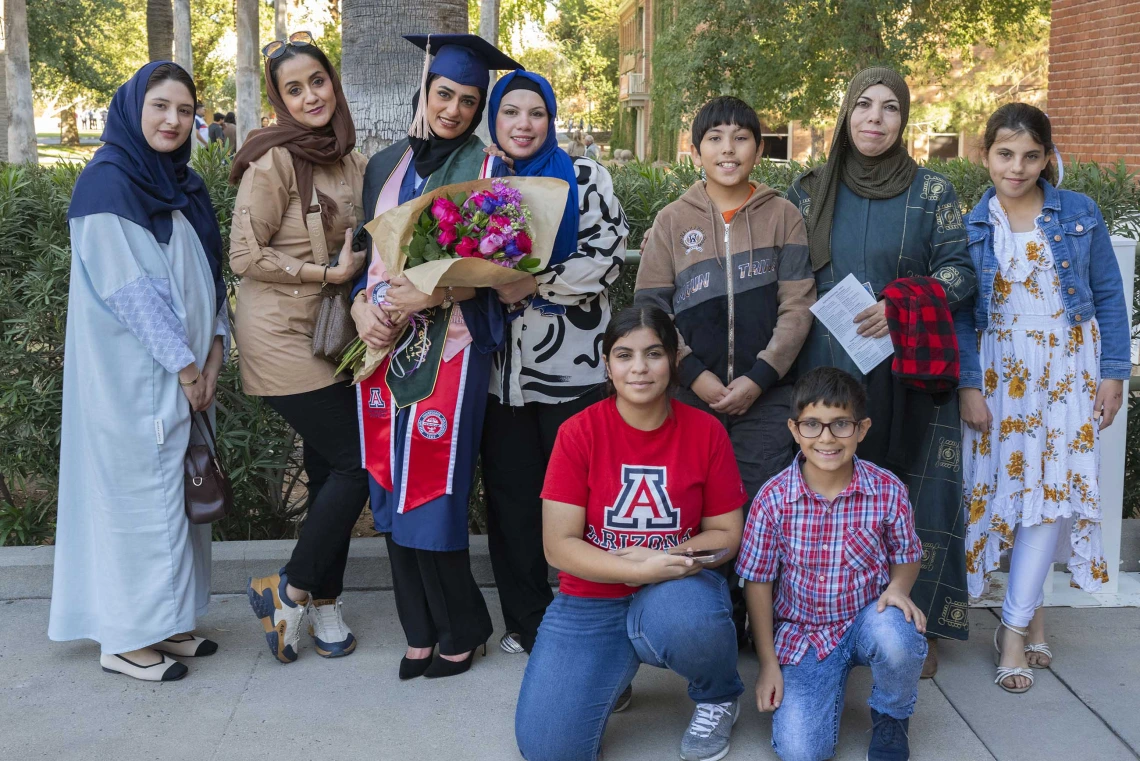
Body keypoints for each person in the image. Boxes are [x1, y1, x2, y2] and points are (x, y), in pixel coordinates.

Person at [785, 67, 976, 677]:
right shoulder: (808, 188)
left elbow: (960, 273)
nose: (874, 117)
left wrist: (901, 304)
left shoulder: (933, 192)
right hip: (823, 365)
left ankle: (912, 621)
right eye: (862, 104)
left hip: (907, 370)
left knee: (909, 492)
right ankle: (824, 616)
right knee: (828, 491)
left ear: (904, 119)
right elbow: (784, 272)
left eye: (889, 107)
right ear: (845, 113)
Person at [48, 61, 228, 682]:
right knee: (140, 500)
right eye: (160, 106)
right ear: (133, 108)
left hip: (185, 377)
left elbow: (209, 276)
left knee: (180, 500)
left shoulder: (183, 184)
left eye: (184, 109)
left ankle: (169, 621)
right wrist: (185, 367)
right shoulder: (107, 183)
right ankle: (124, 636)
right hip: (134, 384)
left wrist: (213, 355)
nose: (173, 120)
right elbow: (132, 293)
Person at [351, 33, 522, 680]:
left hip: (452, 349)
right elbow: (368, 261)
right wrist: (362, 311)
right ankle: (418, 628)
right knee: (389, 487)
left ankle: (465, 624)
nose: (452, 108)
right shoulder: (384, 165)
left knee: (434, 488)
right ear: (424, 90)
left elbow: (504, 269)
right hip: (382, 345)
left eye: (467, 99)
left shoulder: (491, 170)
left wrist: (439, 287)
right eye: (443, 93)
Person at [516, 305, 748, 761]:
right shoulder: (577, 432)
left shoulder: (706, 431)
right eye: (624, 355)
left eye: (653, 353)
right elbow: (558, 545)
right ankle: (608, 677)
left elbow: (725, 533)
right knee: (549, 750)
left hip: (676, 584)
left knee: (688, 618)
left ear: (674, 360)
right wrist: (629, 566)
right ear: (607, 363)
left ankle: (719, 694)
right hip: (590, 597)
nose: (639, 368)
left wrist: (666, 561)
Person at [956, 103, 1129, 693]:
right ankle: (1036, 613)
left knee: (1051, 494)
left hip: (1066, 369)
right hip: (1002, 375)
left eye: (1032, 155)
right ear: (985, 155)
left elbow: (1108, 294)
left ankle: (1011, 630)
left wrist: (1114, 373)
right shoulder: (972, 224)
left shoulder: (1078, 213)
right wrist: (969, 383)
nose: (1018, 167)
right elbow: (959, 317)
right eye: (1006, 154)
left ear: (1047, 157)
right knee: (1008, 491)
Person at [636, 95, 816, 645]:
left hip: (768, 400)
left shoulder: (783, 215)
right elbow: (653, 310)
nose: (728, 148)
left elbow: (797, 305)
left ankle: (753, 625)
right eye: (715, 138)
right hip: (694, 399)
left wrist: (759, 377)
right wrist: (696, 376)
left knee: (759, 509)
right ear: (696, 150)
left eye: (741, 137)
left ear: (759, 149)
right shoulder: (672, 221)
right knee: (697, 507)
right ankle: (705, 620)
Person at [229, 32, 369, 664]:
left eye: (318, 81)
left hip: (332, 337)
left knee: (326, 471)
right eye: (294, 89)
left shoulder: (350, 157)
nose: (311, 96)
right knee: (357, 463)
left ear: (331, 82)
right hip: (282, 336)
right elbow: (243, 256)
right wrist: (326, 276)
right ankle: (289, 585)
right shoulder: (273, 160)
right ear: (280, 102)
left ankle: (325, 603)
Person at [480, 70, 629, 657]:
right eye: (510, 112)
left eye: (535, 113)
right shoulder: (482, 180)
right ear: (494, 119)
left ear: (551, 119)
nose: (523, 124)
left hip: (573, 372)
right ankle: (526, 619)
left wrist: (531, 283)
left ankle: (588, 615)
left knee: (583, 501)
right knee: (512, 501)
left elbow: (607, 255)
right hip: (498, 378)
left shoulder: (585, 177)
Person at [739, 367, 927, 761]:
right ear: (794, 429)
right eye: (813, 425)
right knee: (800, 752)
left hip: (866, 619)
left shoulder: (886, 489)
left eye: (841, 424)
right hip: (805, 636)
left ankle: (891, 713)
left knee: (899, 636)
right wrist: (768, 663)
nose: (826, 438)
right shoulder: (773, 500)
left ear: (862, 429)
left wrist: (896, 590)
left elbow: (907, 555)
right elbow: (757, 583)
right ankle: (823, 688)